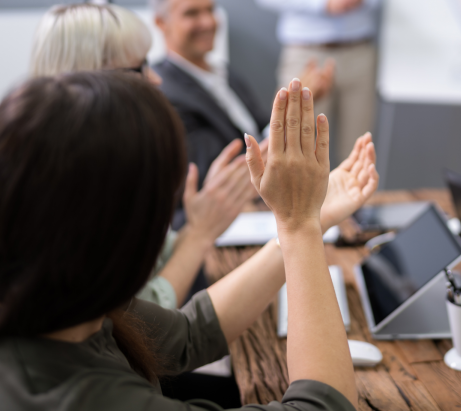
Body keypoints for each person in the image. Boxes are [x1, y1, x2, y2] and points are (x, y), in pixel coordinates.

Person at [0, 70, 363, 409]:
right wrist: (299, 226)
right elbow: (321, 404)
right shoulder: (86, 395)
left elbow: (188, 334)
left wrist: (304, 221)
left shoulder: (60, 297)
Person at [27, 3, 379, 313]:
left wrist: (303, 225)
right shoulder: (76, 194)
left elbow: (167, 302)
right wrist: (202, 233)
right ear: (87, 85)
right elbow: (145, 329)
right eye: (138, 70)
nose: (155, 79)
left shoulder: (103, 167)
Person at [151, 0, 334, 186]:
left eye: (210, 10)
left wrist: (291, 105)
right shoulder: (165, 95)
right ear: (161, 23)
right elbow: (220, 177)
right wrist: (293, 108)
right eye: (191, 13)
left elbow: (260, 130)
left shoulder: (226, 73)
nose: (208, 22)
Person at [254, 0, 382, 163]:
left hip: (359, 52)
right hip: (306, 54)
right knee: (298, 151)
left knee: (358, 153)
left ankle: (355, 205)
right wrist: (322, 1)